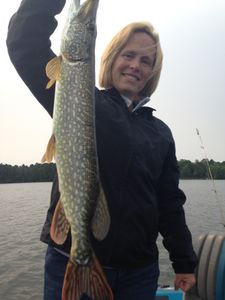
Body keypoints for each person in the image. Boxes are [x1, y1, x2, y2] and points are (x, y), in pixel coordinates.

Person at [6, 0, 198, 299]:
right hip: (69, 258)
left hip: (139, 272)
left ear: (152, 72)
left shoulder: (160, 133)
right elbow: (24, 40)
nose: (136, 65)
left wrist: (184, 262)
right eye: (129, 55)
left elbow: (169, 203)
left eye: (146, 61)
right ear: (111, 58)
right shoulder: (81, 96)